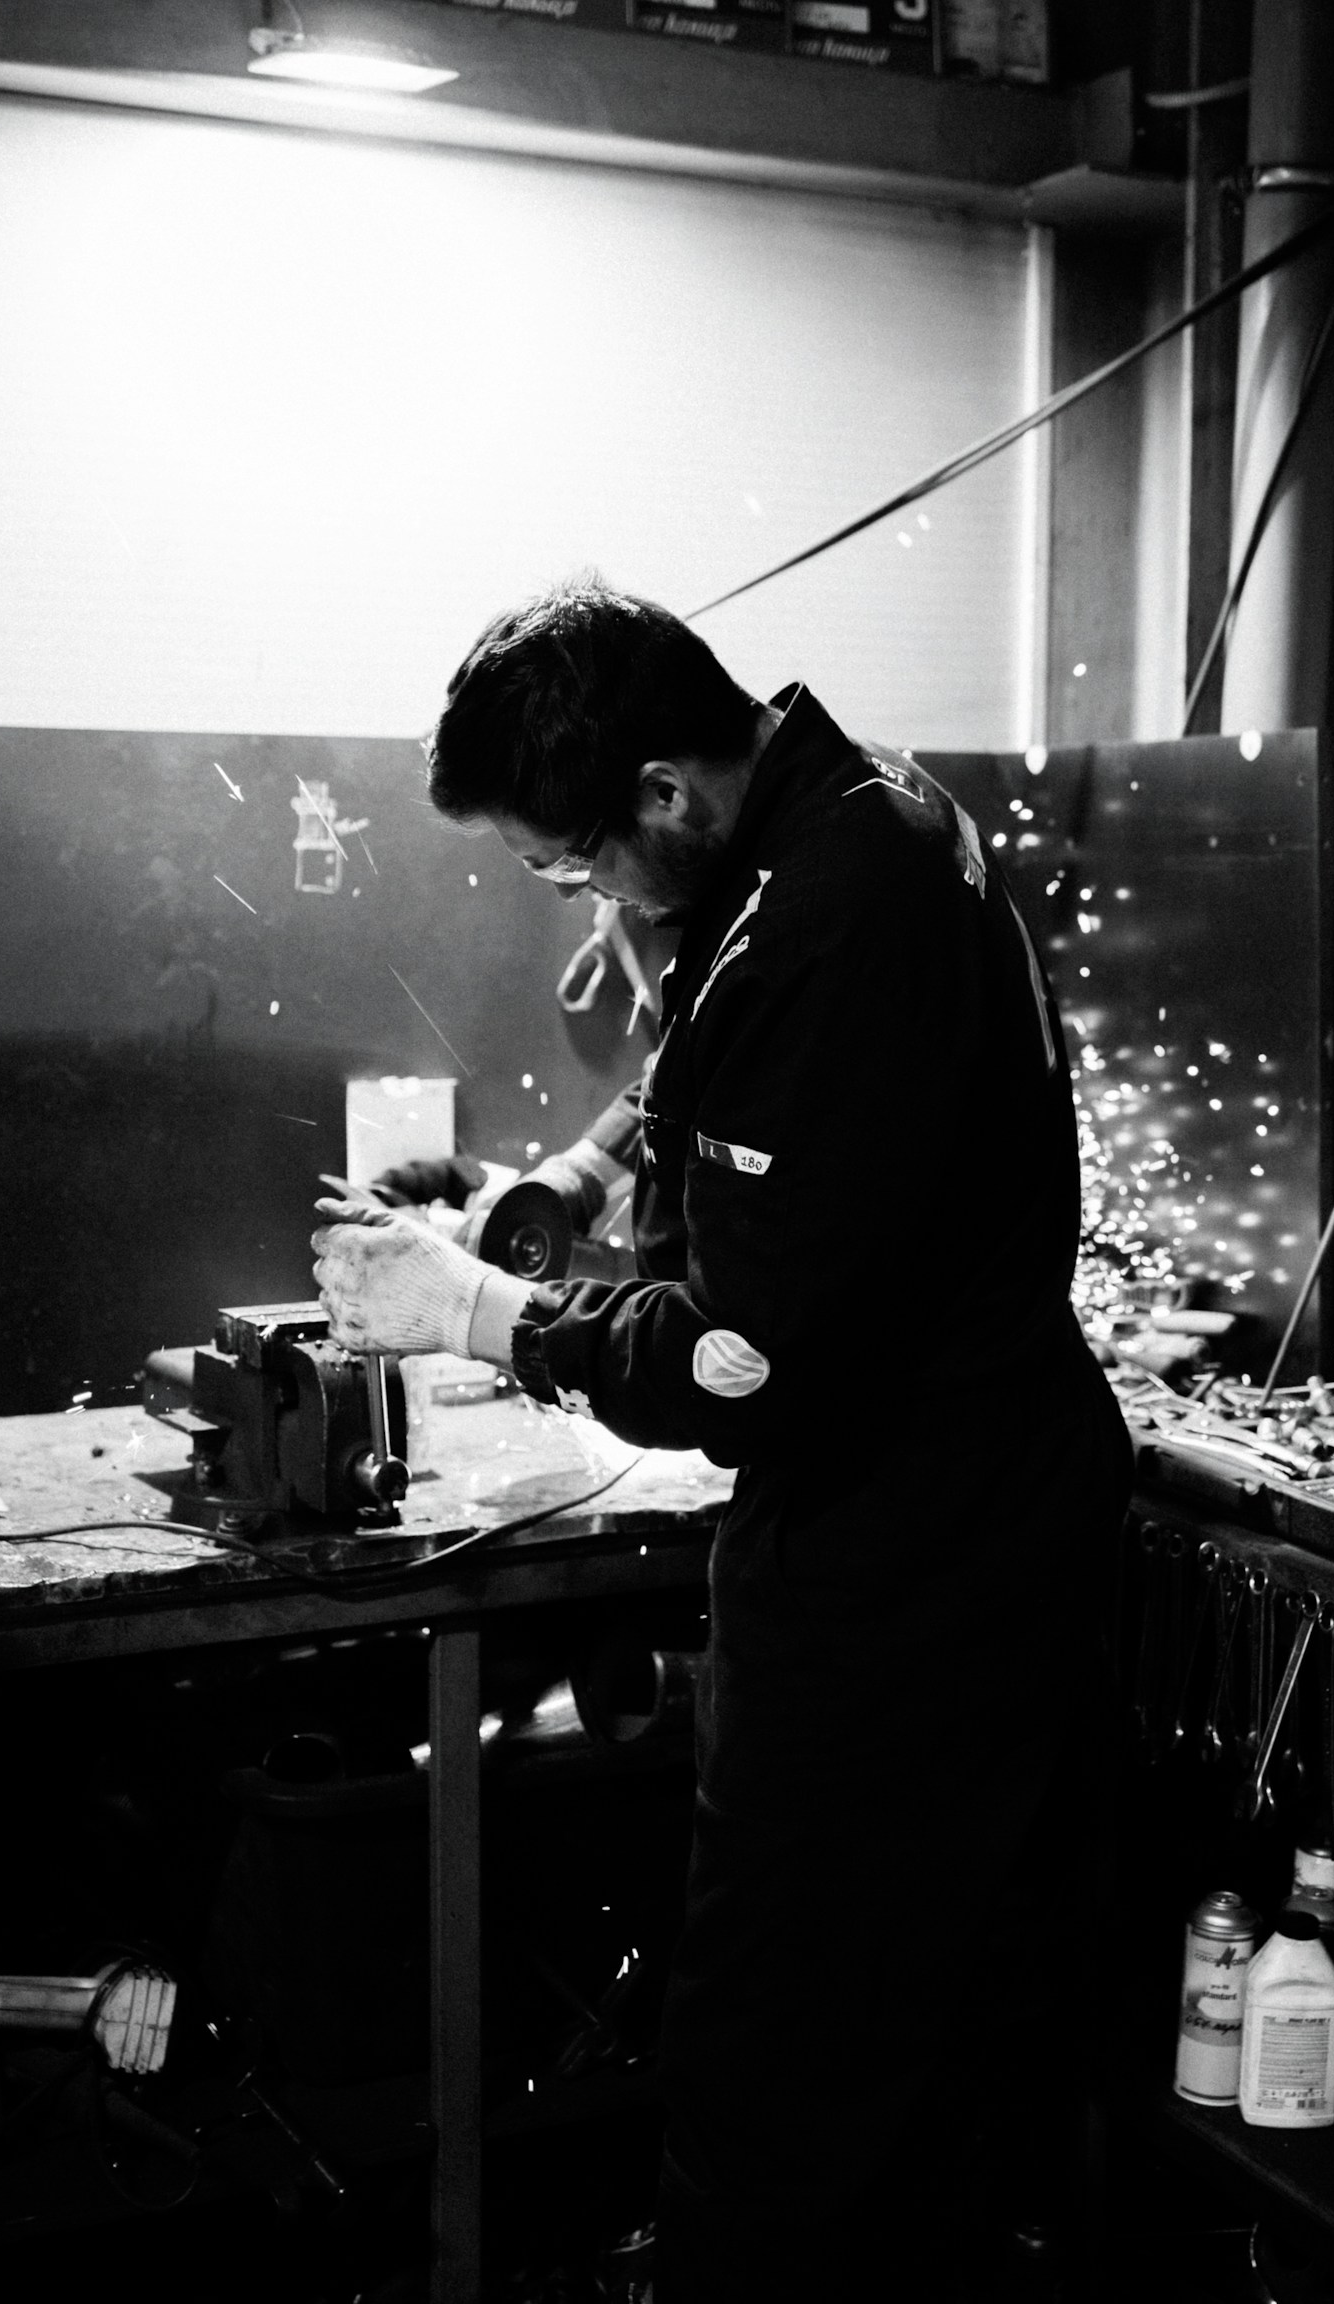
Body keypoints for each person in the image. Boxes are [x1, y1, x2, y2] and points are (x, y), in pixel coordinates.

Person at [311, 581, 1131, 2301]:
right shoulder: (851, 808)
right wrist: (584, 1178)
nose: (581, 899)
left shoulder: (841, 915)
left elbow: (739, 1364)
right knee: (902, 2042)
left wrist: (470, 1309)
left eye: (573, 864)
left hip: (911, 1559)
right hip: (956, 1508)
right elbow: (723, 1043)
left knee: (785, 2051)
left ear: (665, 795)